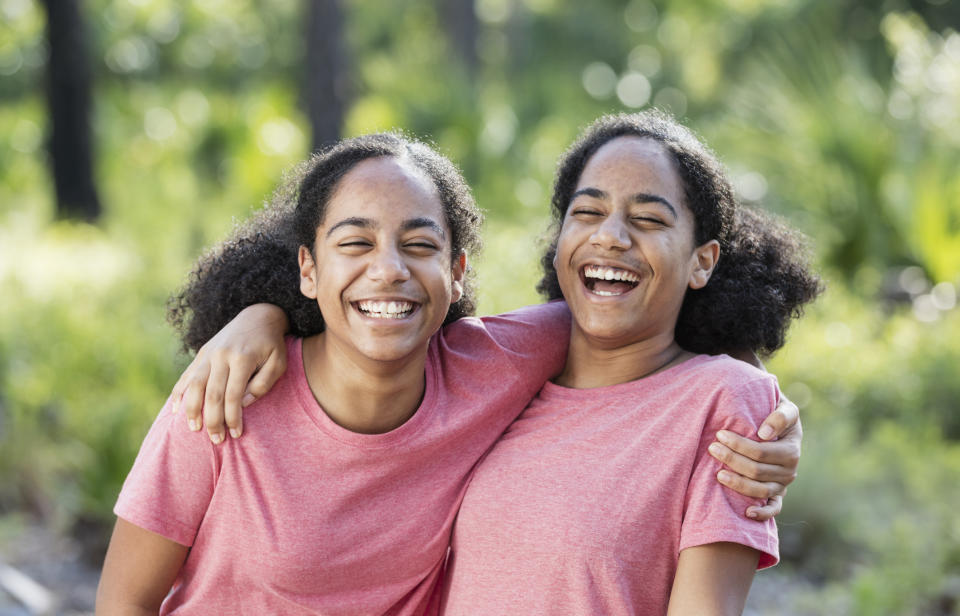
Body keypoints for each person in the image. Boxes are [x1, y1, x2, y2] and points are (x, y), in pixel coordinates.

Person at [99, 117, 811, 613]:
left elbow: (644, 325)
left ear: (456, 270)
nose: (389, 271)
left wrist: (758, 400)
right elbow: (124, 599)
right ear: (307, 269)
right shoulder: (226, 396)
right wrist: (260, 314)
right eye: (587, 214)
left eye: (418, 244)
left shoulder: (493, 366)